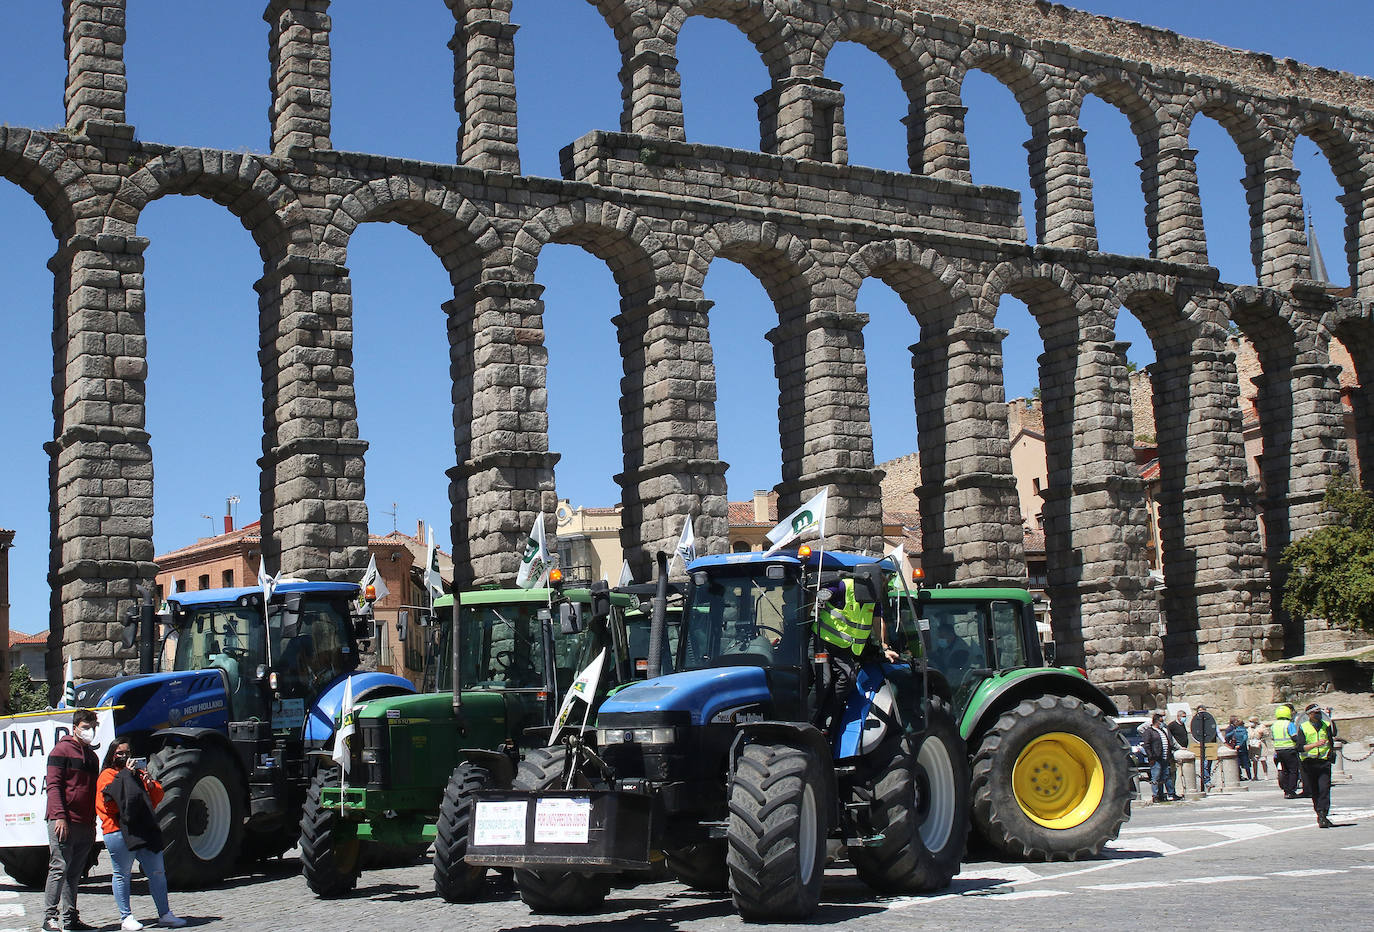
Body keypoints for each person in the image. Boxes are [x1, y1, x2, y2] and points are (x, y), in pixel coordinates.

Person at [96, 740, 186, 930]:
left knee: (157, 872)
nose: (125, 756)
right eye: (120, 753)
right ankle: (126, 917)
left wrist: (149, 785)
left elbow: (155, 799)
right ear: (112, 755)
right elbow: (110, 804)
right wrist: (127, 776)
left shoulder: (139, 773)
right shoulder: (107, 775)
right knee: (122, 874)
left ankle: (165, 913)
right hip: (118, 830)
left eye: (128, 752)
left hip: (144, 829)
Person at [813, 572, 898, 735]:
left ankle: (827, 719)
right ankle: (808, 722)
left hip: (843, 649)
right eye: (880, 587)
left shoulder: (873, 600)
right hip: (821, 643)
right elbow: (816, 597)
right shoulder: (843, 587)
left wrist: (884, 647)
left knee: (848, 677)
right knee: (823, 681)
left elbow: (877, 621)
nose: (879, 592)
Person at [44, 710, 100, 932]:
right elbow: (54, 786)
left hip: (85, 823)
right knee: (59, 868)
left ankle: (70, 919)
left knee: (75, 873)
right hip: (63, 822)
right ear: (75, 726)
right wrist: (59, 816)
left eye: (94, 726)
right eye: (87, 726)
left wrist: (92, 822)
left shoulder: (93, 757)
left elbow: (92, 791)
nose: (90, 731)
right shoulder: (61, 750)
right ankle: (49, 919)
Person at [1297, 703, 1338, 828]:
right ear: (1309, 715)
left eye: (1320, 712)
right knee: (1314, 790)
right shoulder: (1303, 727)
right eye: (1316, 712)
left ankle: (1323, 814)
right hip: (1309, 763)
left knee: (1324, 789)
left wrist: (1330, 717)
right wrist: (1315, 745)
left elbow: (1333, 735)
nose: (1318, 714)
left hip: (1323, 761)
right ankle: (1319, 813)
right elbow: (1300, 747)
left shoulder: (1326, 725)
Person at [1141, 711, 1184, 802]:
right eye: (1161, 721)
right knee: (1156, 777)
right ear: (1156, 721)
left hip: (1165, 758)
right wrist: (1151, 757)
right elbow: (1147, 745)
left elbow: (1170, 741)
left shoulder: (1162, 730)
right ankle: (1156, 796)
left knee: (1166, 776)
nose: (1162, 722)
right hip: (1156, 758)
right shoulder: (1149, 732)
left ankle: (1170, 794)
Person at [1272, 703, 1302, 798]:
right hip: (1290, 749)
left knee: (1284, 771)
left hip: (1279, 750)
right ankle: (1291, 791)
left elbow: (1273, 738)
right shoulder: (1289, 724)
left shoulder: (1274, 725)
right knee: (1293, 771)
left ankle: (1285, 790)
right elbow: (1294, 737)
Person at [1226, 715, 1252, 780]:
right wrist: (1240, 744)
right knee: (1246, 764)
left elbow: (1227, 736)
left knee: (1237, 763)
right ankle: (1249, 777)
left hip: (1236, 748)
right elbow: (1244, 738)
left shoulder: (1235, 731)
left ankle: (1237, 777)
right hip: (1243, 748)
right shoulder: (1244, 731)